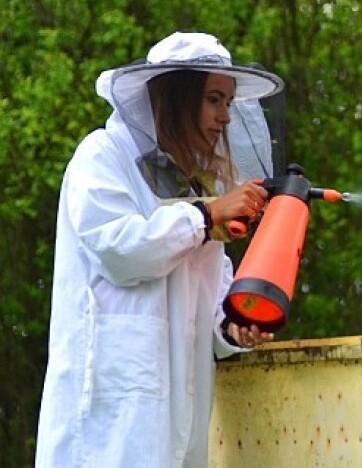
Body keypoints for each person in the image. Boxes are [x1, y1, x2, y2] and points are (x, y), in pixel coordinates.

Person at [35, 32, 283, 467]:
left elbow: (209, 304)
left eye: (228, 102)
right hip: (103, 433)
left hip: (176, 431)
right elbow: (120, 250)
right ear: (175, 97)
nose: (225, 116)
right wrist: (206, 217)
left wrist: (235, 326)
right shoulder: (101, 156)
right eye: (213, 99)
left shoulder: (194, 188)